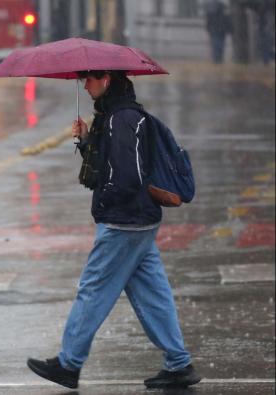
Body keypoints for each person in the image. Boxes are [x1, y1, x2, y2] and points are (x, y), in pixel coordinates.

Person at [26, 71, 201, 390]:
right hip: (140, 221)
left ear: (106, 79)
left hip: (125, 221)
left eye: (89, 78)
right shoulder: (115, 116)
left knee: (93, 290)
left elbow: (128, 175)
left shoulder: (122, 119)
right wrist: (86, 141)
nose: (84, 84)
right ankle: (179, 364)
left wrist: (106, 200)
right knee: (153, 293)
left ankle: (69, 363)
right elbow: (109, 165)